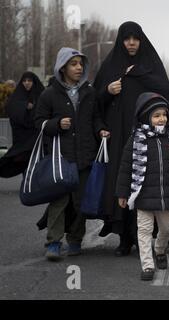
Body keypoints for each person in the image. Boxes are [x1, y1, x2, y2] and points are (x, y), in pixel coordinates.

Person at [93, 21, 169, 256]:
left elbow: (164, 90)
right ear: (121, 41)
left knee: (147, 183)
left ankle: (145, 237)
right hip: (120, 137)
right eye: (127, 39)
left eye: (135, 38)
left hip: (146, 136)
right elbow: (95, 103)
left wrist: (138, 74)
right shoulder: (111, 65)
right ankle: (125, 237)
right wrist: (108, 91)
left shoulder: (150, 64)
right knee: (124, 183)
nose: (131, 43)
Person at [35, 48, 109, 261]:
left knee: (81, 202)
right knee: (59, 202)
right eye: (73, 64)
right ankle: (54, 243)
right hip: (61, 158)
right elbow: (38, 122)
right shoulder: (49, 94)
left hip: (86, 155)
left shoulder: (89, 92)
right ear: (63, 67)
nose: (78, 68)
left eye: (80, 64)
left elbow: (96, 118)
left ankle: (75, 239)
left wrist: (100, 129)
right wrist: (55, 124)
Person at [115, 92, 169, 281]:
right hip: (142, 193)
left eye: (164, 115)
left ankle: (159, 250)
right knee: (144, 229)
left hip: (166, 194)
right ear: (147, 117)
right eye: (156, 115)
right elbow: (125, 167)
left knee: (167, 228)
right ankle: (148, 265)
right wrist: (122, 192)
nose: (161, 119)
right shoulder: (136, 139)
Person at [0, 72, 44, 178]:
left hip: (37, 136)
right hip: (22, 137)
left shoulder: (41, 94)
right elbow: (11, 107)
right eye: (24, 81)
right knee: (20, 159)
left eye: (29, 81)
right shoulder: (18, 95)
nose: (27, 83)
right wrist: (24, 106)